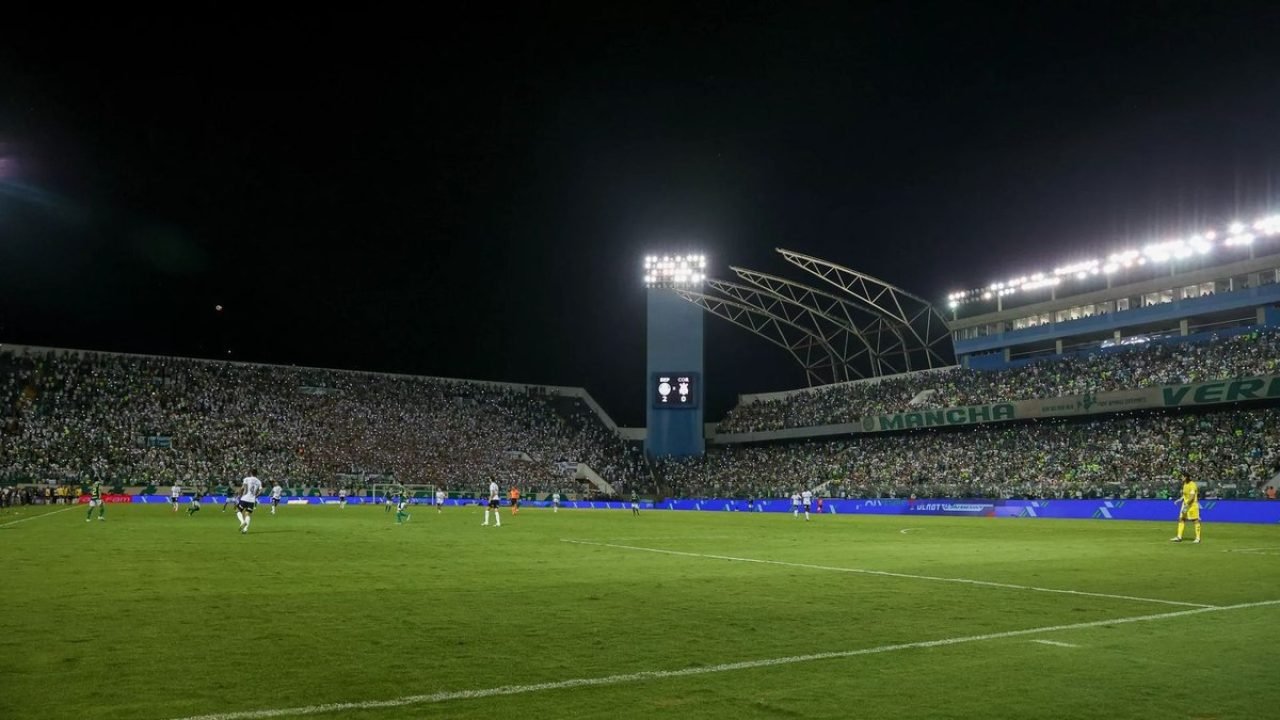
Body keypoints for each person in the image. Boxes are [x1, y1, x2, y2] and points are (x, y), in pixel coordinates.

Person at [1171, 475, 1202, 544]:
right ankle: (1179, 537)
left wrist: (1186, 505)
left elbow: (1192, 497)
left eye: (1182, 477)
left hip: (1192, 505)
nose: (1181, 478)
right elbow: (1185, 495)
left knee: (1195, 520)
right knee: (1181, 519)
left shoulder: (1192, 485)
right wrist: (1179, 500)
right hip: (1185, 504)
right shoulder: (1185, 484)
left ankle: (1198, 538)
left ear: (1186, 477)